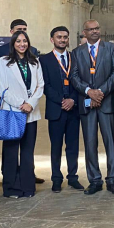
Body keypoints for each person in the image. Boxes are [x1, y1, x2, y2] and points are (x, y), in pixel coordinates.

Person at [71, 20, 114, 195]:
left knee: (111, 142)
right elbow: (74, 76)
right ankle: (94, 180)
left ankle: (113, 180)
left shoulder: (111, 49)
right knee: (90, 143)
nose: (95, 32)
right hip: (87, 104)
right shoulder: (77, 52)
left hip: (107, 102)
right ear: (84, 32)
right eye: (91, 29)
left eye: (97, 28)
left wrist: (99, 92)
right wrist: (88, 91)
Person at [0, 30, 44, 198]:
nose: (22, 44)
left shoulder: (35, 61)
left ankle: (28, 187)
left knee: (27, 152)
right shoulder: (3, 62)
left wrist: (30, 103)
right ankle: (11, 188)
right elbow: (2, 89)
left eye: (25, 41)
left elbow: (40, 86)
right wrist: (21, 104)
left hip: (31, 113)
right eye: (18, 41)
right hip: (13, 112)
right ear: (13, 44)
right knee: (11, 151)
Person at [40, 26, 82, 192]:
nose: (62, 40)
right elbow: (45, 85)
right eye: (59, 37)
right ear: (52, 39)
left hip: (73, 109)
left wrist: (72, 99)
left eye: (65, 37)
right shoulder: (44, 60)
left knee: (72, 146)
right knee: (55, 146)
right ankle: (56, 178)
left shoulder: (75, 58)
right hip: (56, 109)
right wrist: (62, 100)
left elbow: (80, 81)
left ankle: (73, 177)